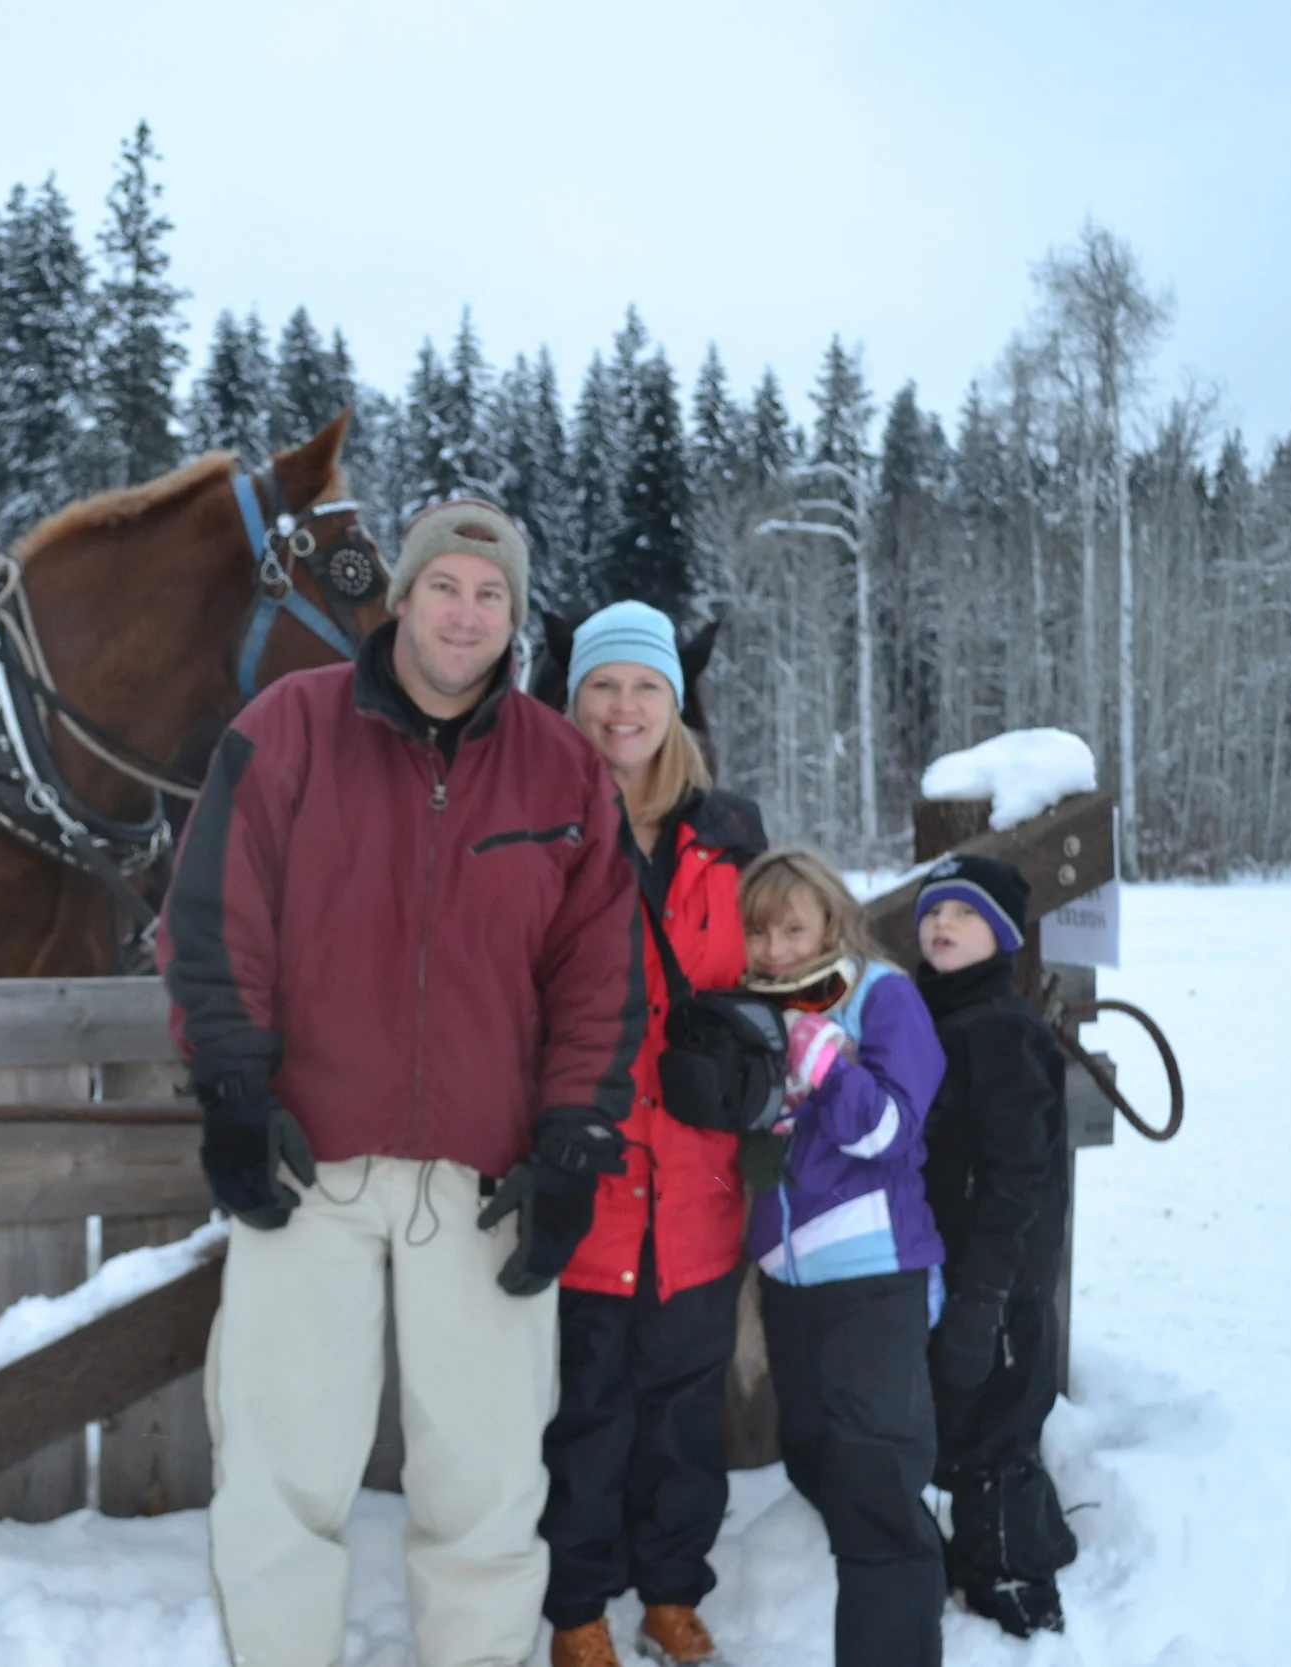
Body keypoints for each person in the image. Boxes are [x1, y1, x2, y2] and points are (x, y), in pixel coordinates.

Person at [159, 498, 647, 1667]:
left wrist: (571, 1143)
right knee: (280, 1465)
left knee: (485, 1474)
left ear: (513, 618)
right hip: (307, 1160)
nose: (464, 614)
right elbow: (214, 917)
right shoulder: (290, 726)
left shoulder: (562, 768)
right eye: (445, 586)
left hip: (487, 1177)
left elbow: (599, 975)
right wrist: (233, 1090)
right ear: (403, 597)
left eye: (490, 594)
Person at [541, 603, 767, 1667]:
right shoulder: (537, 825)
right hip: (585, 1177)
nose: (621, 707)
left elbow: (783, 967)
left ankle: (672, 1587)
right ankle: (578, 1603)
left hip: (696, 1181)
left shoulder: (731, 838)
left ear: (674, 703)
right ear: (572, 699)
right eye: (602, 685)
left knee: (682, 1411)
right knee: (587, 1411)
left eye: (644, 686)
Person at [737, 847, 949, 1667]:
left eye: (794, 928)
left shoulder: (880, 995)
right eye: (759, 931)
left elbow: (889, 1130)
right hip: (789, 1282)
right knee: (817, 1461)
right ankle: (917, 1579)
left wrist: (823, 1061)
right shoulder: (753, 1005)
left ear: (832, 918)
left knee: (874, 1487)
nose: (775, 949)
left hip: (872, 1278)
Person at [911, 854, 1078, 1637]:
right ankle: (1020, 1541)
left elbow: (1019, 1176)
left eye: (966, 912)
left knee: (995, 1431)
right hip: (958, 1269)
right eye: (932, 910)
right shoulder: (935, 1015)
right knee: (968, 1415)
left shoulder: (1001, 1030)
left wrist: (985, 1294)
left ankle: (1017, 1589)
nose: (942, 923)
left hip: (998, 1281)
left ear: (1005, 935)